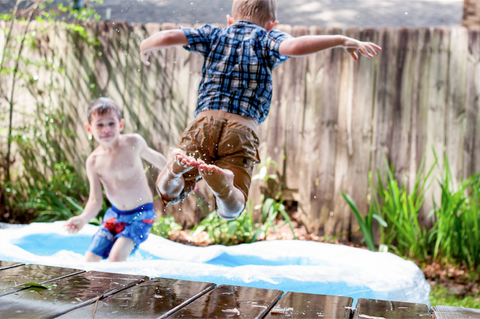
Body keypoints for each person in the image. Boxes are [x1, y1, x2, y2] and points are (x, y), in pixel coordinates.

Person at [139, 0, 381, 221]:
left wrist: (145, 45)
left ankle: (173, 171)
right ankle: (224, 188)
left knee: (168, 192)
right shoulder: (267, 39)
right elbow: (296, 46)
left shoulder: (214, 34)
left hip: (203, 123)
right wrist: (341, 40)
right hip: (241, 130)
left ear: (230, 20)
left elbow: (171, 35)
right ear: (272, 25)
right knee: (232, 209)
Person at [64, 97, 168, 262]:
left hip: (141, 214)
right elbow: (95, 200)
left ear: (120, 124)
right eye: (99, 125)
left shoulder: (133, 143)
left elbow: (158, 160)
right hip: (114, 215)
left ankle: (125, 287)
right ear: (89, 128)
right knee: (90, 259)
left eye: (111, 123)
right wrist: (83, 218)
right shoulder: (93, 161)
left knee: (116, 258)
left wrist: (180, 176)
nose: (106, 129)